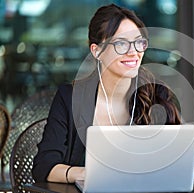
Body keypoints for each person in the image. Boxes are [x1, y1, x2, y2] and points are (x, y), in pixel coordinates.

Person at [32, 4, 181, 183]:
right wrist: (85, 174)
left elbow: (177, 161)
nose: (133, 52)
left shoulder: (158, 95)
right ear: (96, 51)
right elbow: (43, 167)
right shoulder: (69, 98)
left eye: (139, 42)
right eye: (121, 43)